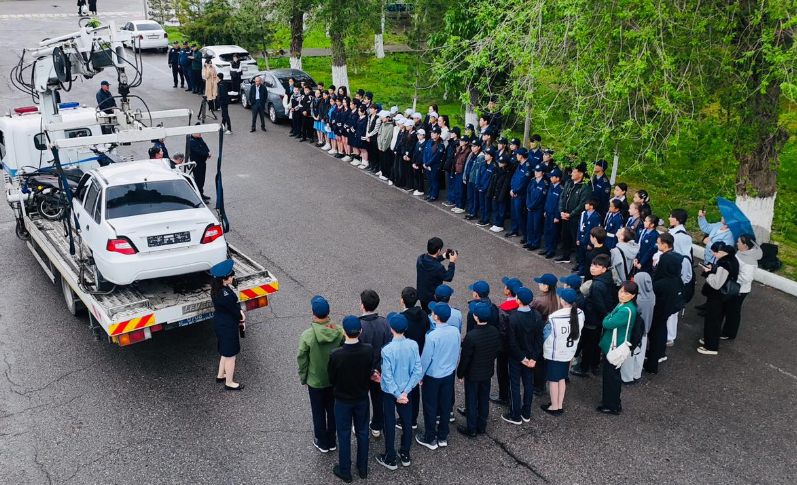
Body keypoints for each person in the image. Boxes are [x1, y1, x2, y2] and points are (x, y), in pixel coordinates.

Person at [329, 316, 374, 483]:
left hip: (342, 400)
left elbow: (332, 378)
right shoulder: (368, 350)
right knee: (362, 432)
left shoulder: (336, 355)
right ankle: (362, 467)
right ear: (360, 331)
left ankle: (345, 470)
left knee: (344, 433)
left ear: (343, 331)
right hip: (362, 398)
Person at [375, 313, 423, 471]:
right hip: (406, 391)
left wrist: (396, 394)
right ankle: (405, 453)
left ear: (391, 329)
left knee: (389, 422)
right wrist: (405, 392)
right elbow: (417, 371)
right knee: (407, 422)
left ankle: (390, 456)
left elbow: (387, 376)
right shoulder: (413, 345)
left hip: (390, 392)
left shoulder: (387, 350)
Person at [298, 296, 344, 453]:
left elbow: (302, 360)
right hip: (334, 380)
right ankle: (332, 440)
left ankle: (321, 441)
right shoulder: (338, 330)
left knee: (318, 411)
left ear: (313, 313)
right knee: (332, 409)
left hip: (315, 381)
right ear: (328, 312)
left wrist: (303, 377)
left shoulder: (307, 335)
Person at [416, 303, 461, 450]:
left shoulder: (432, 335)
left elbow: (426, 358)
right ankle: (443, 435)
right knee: (445, 403)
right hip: (448, 373)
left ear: (435, 316)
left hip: (433, 375)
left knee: (430, 405)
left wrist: (420, 375)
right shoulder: (455, 331)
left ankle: (430, 437)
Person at [456, 302, 501, 437]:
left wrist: (460, 373)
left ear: (476, 317)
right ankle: (482, 425)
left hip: (473, 374)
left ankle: (471, 428)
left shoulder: (471, 336)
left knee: (471, 399)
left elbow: (466, 358)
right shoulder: (494, 331)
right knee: (483, 398)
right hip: (487, 371)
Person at [503, 287, 543, 425]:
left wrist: (522, 358)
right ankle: (526, 412)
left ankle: (515, 415)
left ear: (518, 300)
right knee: (528, 384)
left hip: (516, 357)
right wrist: (533, 358)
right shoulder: (537, 316)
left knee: (514, 384)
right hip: (531, 356)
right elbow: (539, 339)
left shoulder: (513, 318)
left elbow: (512, 342)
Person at [541, 288, 584, 415]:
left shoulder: (554, 317)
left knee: (554, 381)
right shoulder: (580, 313)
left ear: (563, 300)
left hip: (556, 353)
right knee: (562, 379)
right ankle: (559, 404)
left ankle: (554, 406)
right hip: (569, 351)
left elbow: (546, 335)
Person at [572, 255, 616, 377]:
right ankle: (594, 364)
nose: (592, 268)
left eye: (597, 266)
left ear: (604, 269)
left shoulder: (596, 285)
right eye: (592, 265)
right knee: (595, 342)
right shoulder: (607, 279)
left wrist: (604, 317)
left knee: (588, 344)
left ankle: (584, 368)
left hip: (593, 319)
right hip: (598, 319)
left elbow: (599, 305)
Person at [597, 281, 637, 415]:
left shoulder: (626, 310)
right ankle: (613, 403)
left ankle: (611, 405)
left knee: (611, 377)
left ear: (633, 296)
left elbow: (607, 323)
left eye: (626, 293)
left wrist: (608, 318)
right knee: (612, 376)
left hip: (615, 348)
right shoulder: (625, 305)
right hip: (615, 345)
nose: (622, 295)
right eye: (621, 291)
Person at [357, 290, 392, 438]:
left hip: (363, 371)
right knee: (378, 399)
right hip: (380, 370)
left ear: (362, 305)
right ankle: (377, 425)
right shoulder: (385, 323)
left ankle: (362, 425)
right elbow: (388, 348)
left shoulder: (358, 325)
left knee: (362, 399)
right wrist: (378, 369)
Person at [644, 252, 683, 374]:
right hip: (666, 312)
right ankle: (659, 354)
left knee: (654, 337)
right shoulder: (676, 279)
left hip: (656, 313)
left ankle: (651, 364)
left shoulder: (661, 284)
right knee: (660, 333)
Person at [697, 243, 739, 355]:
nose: (714, 254)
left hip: (717, 297)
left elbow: (716, 284)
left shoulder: (724, 265)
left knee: (713, 321)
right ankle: (709, 340)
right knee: (716, 320)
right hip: (725, 297)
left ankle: (711, 347)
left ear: (723, 253)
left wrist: (708, 273)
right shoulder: (733, 260)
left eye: (715, 252)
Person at [210, 259, 245, 391]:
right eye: (231, 276)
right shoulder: (225, 295)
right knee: (231, 355)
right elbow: (234, 310)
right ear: (224, 279)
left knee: (224, 351)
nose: (233, 277)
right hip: (228, 326)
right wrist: (242, 319)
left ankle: (221, 375)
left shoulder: (217, 289)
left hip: (220, 322)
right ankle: (229, 382)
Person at [399, 287, 429, 429]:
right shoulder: (423, 315)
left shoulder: (402, 319)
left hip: (406, 359)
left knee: (405, 388)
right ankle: (413, 418)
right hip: (420, 354)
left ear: (402, 300)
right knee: (415, 388)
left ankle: (406, 419)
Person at [723, 234, 762, 340]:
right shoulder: (741, 252)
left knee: (733, 311)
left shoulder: (749, 260)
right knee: (730, 309)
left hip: (739, 289)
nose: (737, 243)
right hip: (735, 286)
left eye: (739, 242)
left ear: (745, 245)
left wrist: (731, 277)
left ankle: (729, 333)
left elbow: (746, 277)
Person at [492, 277, 522, 406]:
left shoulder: (503, 309)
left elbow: (502, 330)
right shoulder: (522, 305)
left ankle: (503, 395)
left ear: (508, 291)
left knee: (502, 370)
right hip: (519, 344)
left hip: (504, 346)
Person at [666, 209, 694, 346]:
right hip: (675, 283)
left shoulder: (682, 260)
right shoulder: (677, 234)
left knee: (672, 312)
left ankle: (670, 337)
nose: (669, 219)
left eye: (671, 217)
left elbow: (686, 277)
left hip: (676, 286)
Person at [531, 273, 561, 396]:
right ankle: (542, 384)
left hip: (541, 333)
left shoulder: (540, 301)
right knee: (545, 360)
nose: (539, 284)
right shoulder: (558, 297)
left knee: (538, 360)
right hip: (553, 333)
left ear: (546, 286)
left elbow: (533, 316)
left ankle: (538, 386)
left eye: (541, 283)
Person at [621, 272, 654, 384]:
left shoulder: (637, 300)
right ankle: (637, 374)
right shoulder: (651, 295)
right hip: (645, 331)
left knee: (629, 355)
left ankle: (627, 377)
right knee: (640, 353)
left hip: (633, 331)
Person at [556, 162, 591, 264]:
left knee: (577, 240)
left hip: (575, 218)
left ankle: (580, 262)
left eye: (574, 172)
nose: (571, 174)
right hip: (565, 216)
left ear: (580, 174)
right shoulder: (568, 183)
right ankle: (565, 256)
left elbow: (582, 204)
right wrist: (561, 211)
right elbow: (562, 197)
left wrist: (571, 214)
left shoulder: (585, 187)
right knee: (565, 237)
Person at [415, 237, 457, 313]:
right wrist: (452, 262)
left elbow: (431, 260)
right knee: (435, 315)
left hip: (422, 294)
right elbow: (449, 277)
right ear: (438, 251)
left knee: (425, 313)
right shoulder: (438, 268)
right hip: (433, 297)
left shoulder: (420, 259)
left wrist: (443, 256)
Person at [506, 147, 530, 239]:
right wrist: (512, 189)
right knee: (514, 213)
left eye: (518, 154)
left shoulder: (527, 167)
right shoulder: (519, 164)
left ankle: (525, 235)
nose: (516, 156)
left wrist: (516, 191)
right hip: (514, 192)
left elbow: (524, 182)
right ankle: (514, 230)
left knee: (520, 214)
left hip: (520, 194)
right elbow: (514, 178)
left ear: (521, 156)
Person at [525, 164, 549, 250]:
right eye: (535, 171)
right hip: (530, 207)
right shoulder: (532, 181)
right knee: (530, 225)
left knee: (536, 226)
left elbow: (540, 198)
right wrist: (528, 204)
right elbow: (528, 193)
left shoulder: (544, 183)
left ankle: (535, 243)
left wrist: (531, 205)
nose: (536, 173)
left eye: (538, 172)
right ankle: (529, 241)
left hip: (538, 208)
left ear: (542, 173)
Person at [575, 197, 602, 276]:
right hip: (581, 239)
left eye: (587, 204)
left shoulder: (596, 216)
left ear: (591, 206)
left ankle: (586, 272)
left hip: (588, 241)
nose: (585, 205)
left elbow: (595, 231)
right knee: (581, 256)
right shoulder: (583, 214)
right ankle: (581, 269)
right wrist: (578, 238)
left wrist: (590, 243)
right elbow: (580, 227)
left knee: (588, 257)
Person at [542, 168, 564, 258]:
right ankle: (547, 248)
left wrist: (557, 216)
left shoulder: (561, 189)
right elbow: (547, 199)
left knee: (553, 233)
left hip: (554, 215)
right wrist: (545, 210)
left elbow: (560, 204)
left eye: (552, 177)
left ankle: (552, 250)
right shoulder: (551, 185)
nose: (550, 178)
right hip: (548, 212)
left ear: (558, 178)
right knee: (547, 231)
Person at [423, 127, 446, 201]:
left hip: (434, 165)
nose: (432, 134)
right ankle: (430, 193)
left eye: (434, 133)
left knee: (434, 180)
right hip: (427, 164)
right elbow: (425, 152)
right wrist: (425, 162)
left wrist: (427, 163)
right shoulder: (429, 141)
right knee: (429, 180)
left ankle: (434, 195)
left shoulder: (440, 145)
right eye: (431, 133)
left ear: (438, 134)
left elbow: (436, 157)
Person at [474, 148, 497, 227]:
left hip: (487, 189)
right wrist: (478, 185)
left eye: (487, 154)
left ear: (491, 156)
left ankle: (486, 219)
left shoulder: (493, 166)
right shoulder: (483, 164)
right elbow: (478, 176)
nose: (485, 155)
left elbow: (490, 179)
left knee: (487, 204)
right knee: (482, 204)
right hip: (480, 187)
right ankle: (483, 217)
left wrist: (484, 188)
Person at [188, 129, 211, 202]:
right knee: (199, 180)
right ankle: (199, 197)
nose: (200, 134)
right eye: (198, 133)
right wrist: (206, 154)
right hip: (197, 163)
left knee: (202, 179)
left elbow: (204, 145)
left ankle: (201, 193)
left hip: (202, 162)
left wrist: (208, 151)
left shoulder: (199, 138)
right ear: (193, 133)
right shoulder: (192, 141)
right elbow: (198, 152)